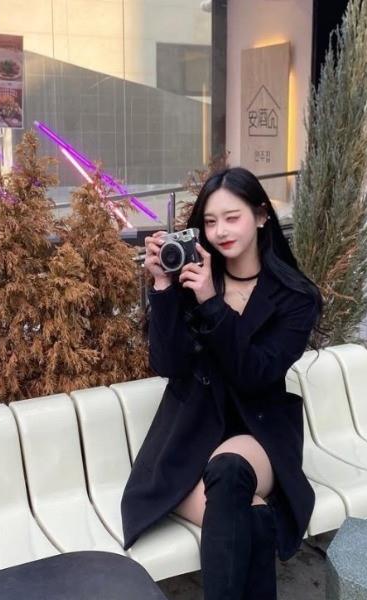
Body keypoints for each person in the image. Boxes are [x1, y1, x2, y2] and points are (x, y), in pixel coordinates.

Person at [121, 167, 323, 599]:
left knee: (230, 470)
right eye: (211, 222)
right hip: (190, 434)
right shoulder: (192, 276)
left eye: (233, 218)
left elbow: (255, 375)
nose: (221, 231)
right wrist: (163, 286)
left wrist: (212, 303)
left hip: (258, 432)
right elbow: (167, 364)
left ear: (262, 216)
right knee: (249, 516)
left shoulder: (295, 297)